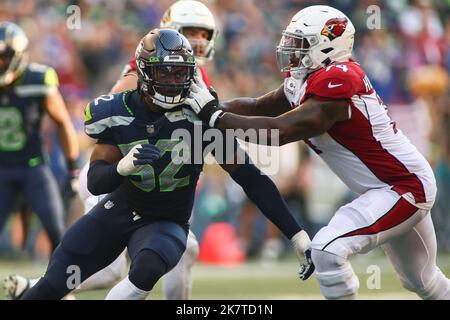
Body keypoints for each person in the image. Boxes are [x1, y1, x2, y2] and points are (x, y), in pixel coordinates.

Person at [179, 5, 450, 299]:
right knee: (424, 282)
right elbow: (259, 107)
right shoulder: (307, 77)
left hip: (404, 187)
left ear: (327, 44)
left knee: (327, 250)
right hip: (389, 187)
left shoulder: (339, 78)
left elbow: (279, 131)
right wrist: (209, 104)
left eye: (300, 42)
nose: (290, 48)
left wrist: (214, 116)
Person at [20, 28, 313, 300]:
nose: (174, 81)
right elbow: (96, 181)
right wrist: (121, 168)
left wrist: (296, 234)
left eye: (180, 73)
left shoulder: (201, 118)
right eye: (165, 72)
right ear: (145, 72)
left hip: (167, 222)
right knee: (54, 283)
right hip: (119, 211)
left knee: (146, 268)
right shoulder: (116, 111)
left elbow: (250, 177)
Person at [5, 0, 219, 300]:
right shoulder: (149, 72)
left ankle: (37, 288)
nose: (196, 41)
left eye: (203, 34)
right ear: (170, 32)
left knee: (179, 250)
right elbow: (118, 115)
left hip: (128, 175)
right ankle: (38, 288)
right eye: (189, 32)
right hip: (113, 174)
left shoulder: (189, 76)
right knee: (110, 269)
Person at [0, 22, 79, 253]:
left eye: (3, 56)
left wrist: (72, 167)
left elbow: (62, 122)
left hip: (33, 166)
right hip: (1, 169)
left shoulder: (37, 79)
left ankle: (63, 287)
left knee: (56, 230)